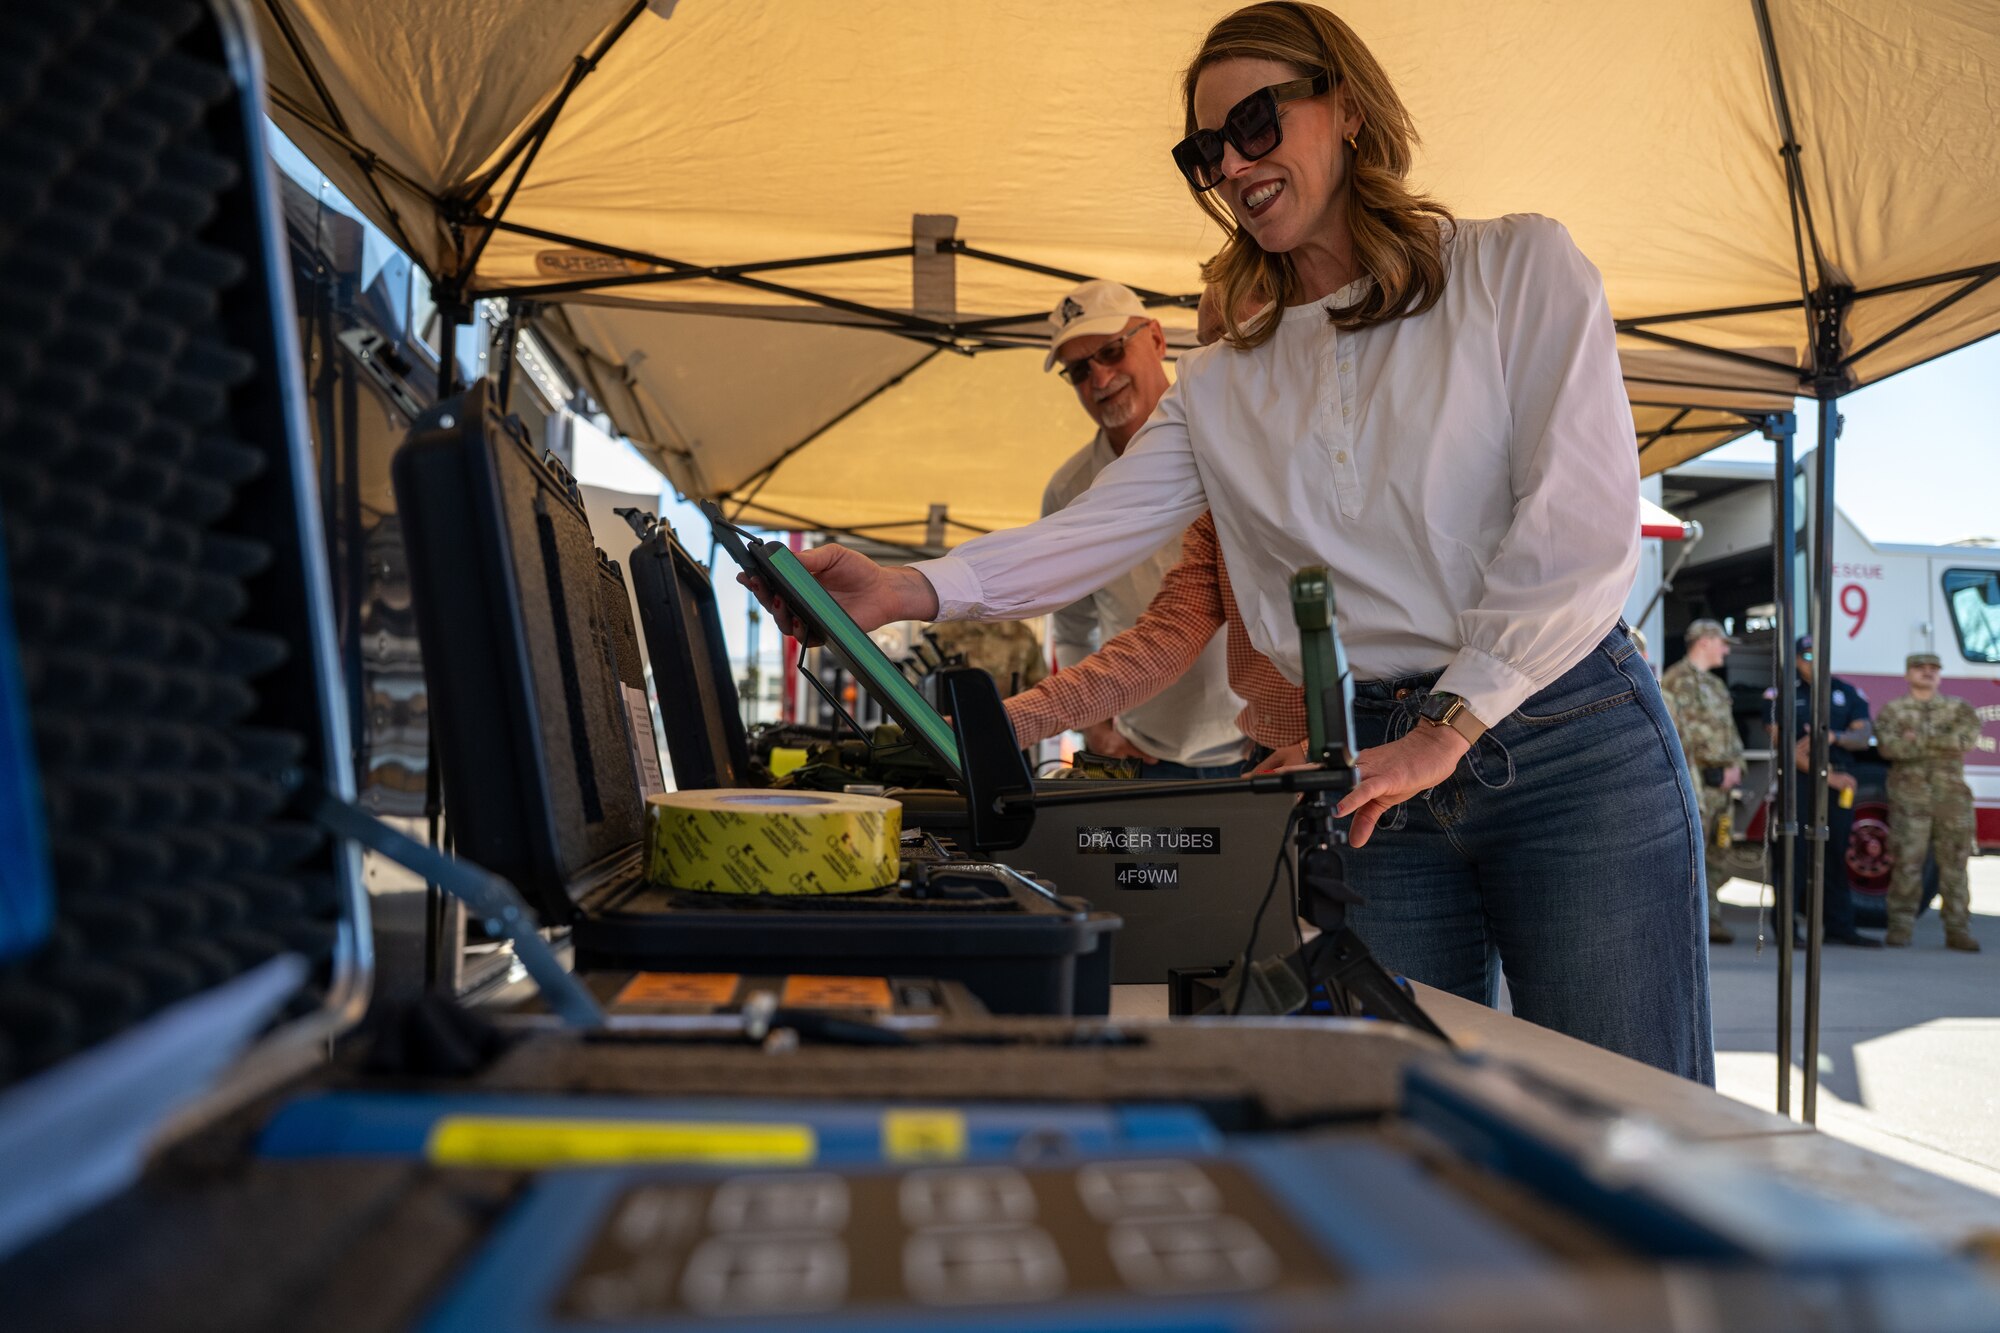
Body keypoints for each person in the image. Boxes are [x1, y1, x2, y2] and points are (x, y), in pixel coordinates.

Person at [749, 3, 1713, 1083]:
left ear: (1344, 107)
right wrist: (902, 587)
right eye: (1205, 148)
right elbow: (1087, 536)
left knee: (1629, 1115)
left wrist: (1446, 726)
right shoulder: (1223, 381)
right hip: (1359, 767)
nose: (1231, 163)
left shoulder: (1514, 268)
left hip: (1565, 737)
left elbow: (1579, 526)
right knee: (1403, 1112)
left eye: (1256, 123)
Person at [1037, 279, 1249, 779]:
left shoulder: (1234, 438)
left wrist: (1301, 727)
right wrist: (1096, 729)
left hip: (1259, 751)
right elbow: (1070, 625)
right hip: (1142, 758)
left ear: (1156, 338)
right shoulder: (1069, 490)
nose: (1100, 377)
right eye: (1079, 370)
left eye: (1111, 351)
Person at [1764, 634, 1882, 947]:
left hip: (1840, 783)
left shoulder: (1847, 692)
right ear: (1796, 659)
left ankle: (1840, 927)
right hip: (1801, 785)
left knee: (1834, 853)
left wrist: (1833, 737)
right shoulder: (1783, 694)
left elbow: (1863, 736)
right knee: (1795, 854)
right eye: (1806, 656)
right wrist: (1827, 776)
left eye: (1819, 655)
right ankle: (1787, 929)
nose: (1812, 662)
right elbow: (1786, 748)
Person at [1876, 652, 1983, 952]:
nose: (1927, 673)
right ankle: (1900, 927)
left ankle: (1958, 929)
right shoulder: (1893, 711)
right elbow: (1888, 748)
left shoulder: (1959, 708)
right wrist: (1940, 740)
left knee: (1955, 866)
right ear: (1907, 674)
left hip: (1952, 800)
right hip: (1910, 800)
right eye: (1920, 668)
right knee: (1907, 863)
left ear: (1940, 675)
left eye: (1933, 669)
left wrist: (1915, 740)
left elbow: (1964, 741)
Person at [1661, 620, 1744, 945]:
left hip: (1722, 788)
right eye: (1722, 643)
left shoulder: (1716, 686)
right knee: (1691, 852)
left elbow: (1729, 732)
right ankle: (1689, 924)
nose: (1726, 650)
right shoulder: (1675, 682)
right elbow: (1680, 738)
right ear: (1705, 641)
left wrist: (1737, 767)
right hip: (1699, 783)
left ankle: (1711, 919)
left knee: (1719, 850)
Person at [924, 619, 1048, 698]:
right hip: (949, 725)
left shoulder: (1020, 633)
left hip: (1008, 722)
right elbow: (920, 685)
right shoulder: (943, 633)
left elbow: (1039, 684)